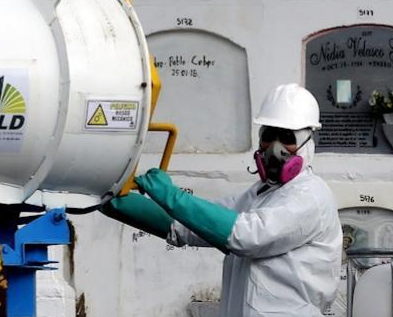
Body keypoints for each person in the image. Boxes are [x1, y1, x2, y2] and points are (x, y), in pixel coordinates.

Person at [103, 84, 341, 317]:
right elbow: (189, 227)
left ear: (308, 143)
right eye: (269, 135)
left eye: (288, 137)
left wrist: (173, 197)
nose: (274, 148)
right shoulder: (261, 194)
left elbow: (245, 236)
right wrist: (107, 198)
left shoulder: (310, 196)